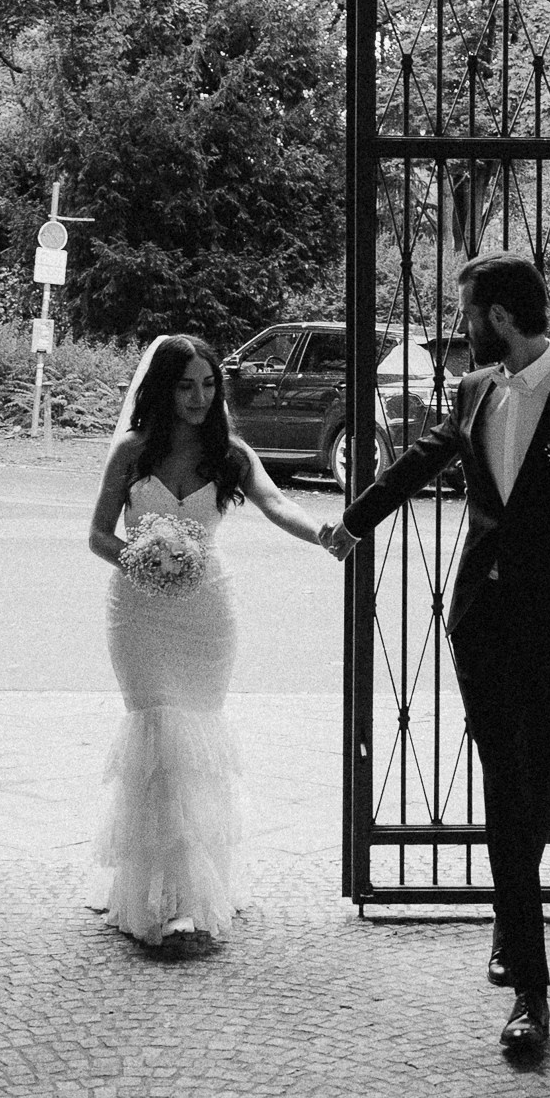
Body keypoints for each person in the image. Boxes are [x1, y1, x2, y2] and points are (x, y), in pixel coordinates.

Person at [335, 252, 550, 1062]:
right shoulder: (473, 390)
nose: (460, 325)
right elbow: (422, 458)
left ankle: (511, 920)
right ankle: (530, 992)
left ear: (501, 317)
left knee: (535, 784)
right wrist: (356, 521)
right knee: (505, 788)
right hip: (479, 625)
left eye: (468, 311)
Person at [88, 333, 346, 953]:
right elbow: (98, 536)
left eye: (208, 384)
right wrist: (144, 559)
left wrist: (323, 533)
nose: (199, 396)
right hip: (140, 615)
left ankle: (192, 893)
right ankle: (162, 904)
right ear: (162, 389)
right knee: (159, 745)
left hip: (207, 618)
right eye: (185, 385)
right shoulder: (131, 452)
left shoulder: (229, 453)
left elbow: (277, 501)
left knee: (195, 751)